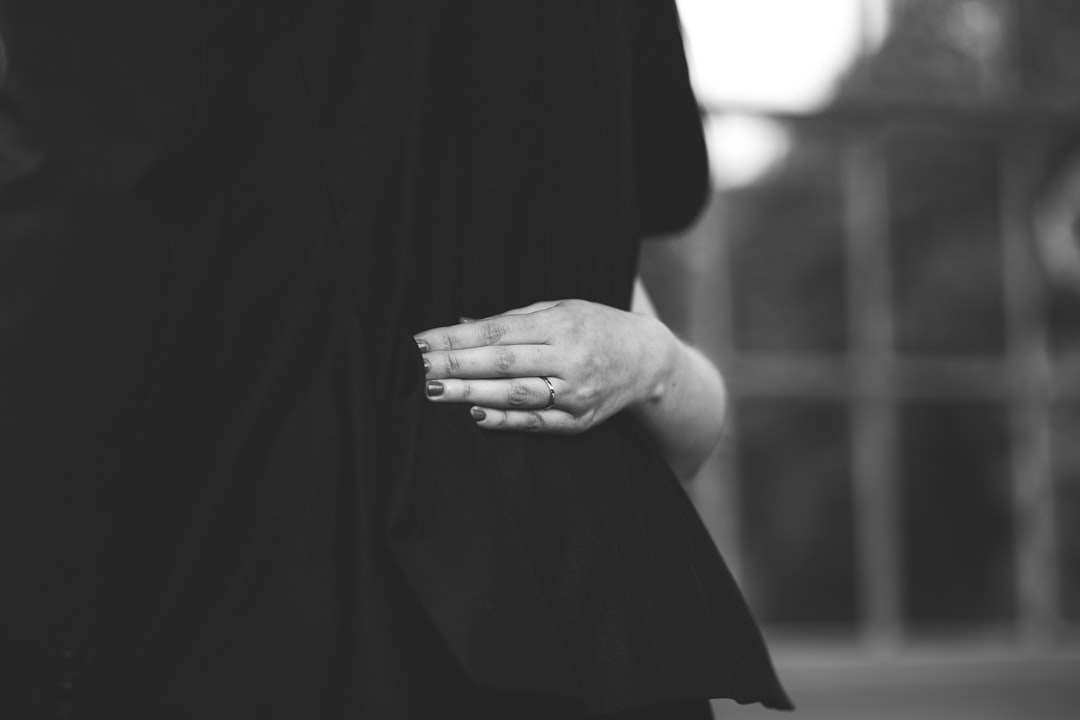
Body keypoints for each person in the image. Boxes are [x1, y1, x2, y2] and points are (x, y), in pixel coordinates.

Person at [0, 1, 791, 718]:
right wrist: (658, 365)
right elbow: (653, 196)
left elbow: (83, 254)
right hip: (597, 625)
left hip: (292, 594)